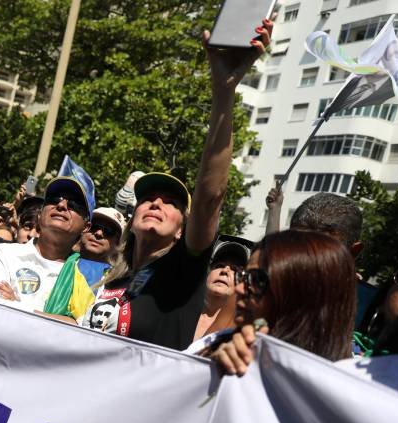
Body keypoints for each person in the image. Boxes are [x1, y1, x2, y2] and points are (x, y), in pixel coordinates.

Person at [81, 19, 271, 349]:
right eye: (149, 197)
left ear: (183, 229)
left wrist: (224, 90)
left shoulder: (182, 270)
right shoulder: (113, 282)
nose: (156, 203)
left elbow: (210, 196)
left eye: (170, 202)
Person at [209, 230, 356, 375]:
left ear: (300, 297)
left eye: (257, 280)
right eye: (243, 276)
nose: (240, 289)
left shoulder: (339, 388)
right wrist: (212, 367)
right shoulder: (217, 346)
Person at [0, 176, 95, 322]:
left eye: (74, 204)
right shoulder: (1, 254)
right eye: (54, 199)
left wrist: (16, 304)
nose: (61, 205)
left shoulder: (90, 276)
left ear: (86, 227)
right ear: (40, 215)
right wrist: (67, 320)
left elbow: (86, 333)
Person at [186, 238, 250, 352]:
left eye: (235, 269)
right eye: (219, 265)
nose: (225, 270)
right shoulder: (180, 310)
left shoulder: (241, 329)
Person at [78, 206, 124, 284]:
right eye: (94, 226)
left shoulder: (117, 280)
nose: (98, 233)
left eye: (109, 231)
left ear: (118, 242)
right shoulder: (60, 259)